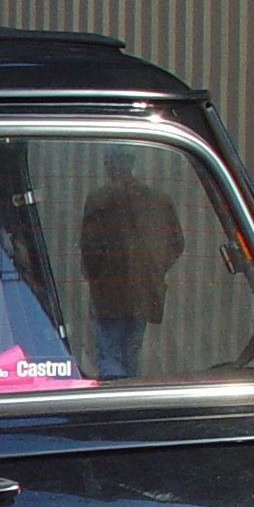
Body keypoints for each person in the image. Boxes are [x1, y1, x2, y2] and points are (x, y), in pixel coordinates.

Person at [78, 146, 184, 379]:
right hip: (145, 293)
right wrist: (152, 271)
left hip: (108, 293)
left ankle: (113, 406)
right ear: (131, 164)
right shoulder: (159, 200)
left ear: (109, 166)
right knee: (130, 356)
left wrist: (98, 279)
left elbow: (89, 248)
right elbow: (176, 245)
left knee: (109, 357)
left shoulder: (99, 199)